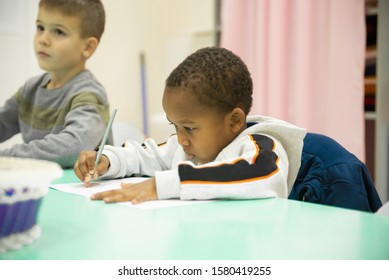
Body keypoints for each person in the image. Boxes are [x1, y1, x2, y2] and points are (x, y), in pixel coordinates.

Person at [74, 47, 306, 204]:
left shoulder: (262, 149)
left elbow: (259, 176)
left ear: (234, 121)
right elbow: (148, 154)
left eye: (190, 128)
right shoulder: (185, 147)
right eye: (175, 126)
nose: (181, 139)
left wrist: (160, 186)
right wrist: (107, 159)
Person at [0, 0, 112, 168]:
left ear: (88, 47)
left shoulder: (89, 94)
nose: (43, 39)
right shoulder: (30, 89)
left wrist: (7, 158)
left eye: (59, 32)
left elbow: (74, 146)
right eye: (40, 28)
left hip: (83, 190)